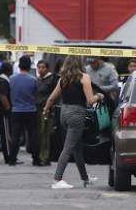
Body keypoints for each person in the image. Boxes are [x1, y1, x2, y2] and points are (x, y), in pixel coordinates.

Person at [44, 55, 103, 189]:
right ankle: (57, 179)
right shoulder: (84, 77)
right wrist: (99, 96)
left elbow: (52, 98)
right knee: (68, 148)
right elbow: (90, 100)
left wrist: (46, 110)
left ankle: (85, 179)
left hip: (64, 114)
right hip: (77, 114)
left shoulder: (63, 79)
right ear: (80, 63)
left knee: (77, 148)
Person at [8, 55, 39, 166]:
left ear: (20, 65)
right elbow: (36, 95)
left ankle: (12, 159)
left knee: (15, 135)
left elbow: (9, 93)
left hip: (16, 110)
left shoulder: (11, 79)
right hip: (31, 110)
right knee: (33, 135)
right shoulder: (33, 80)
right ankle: (36, 159)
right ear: (29, 66)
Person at [36, 60, 57, 166]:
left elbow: (54, 96)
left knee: (46, 135)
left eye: (43, 67)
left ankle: (45, 157)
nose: (40, 69)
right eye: (39, 67)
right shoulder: (37, 79)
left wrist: (49, 108)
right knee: (40, 134)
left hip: (47, 110)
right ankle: (39, 156)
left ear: (47, 68)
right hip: (37, 109)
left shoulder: (51, 79)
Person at [0, 62, 13, 163]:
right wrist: (8, 109)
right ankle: (8, 156)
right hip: (3, 112)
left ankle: (8, 155)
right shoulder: (3, 82)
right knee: (6, 134)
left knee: (3, 133)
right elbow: (3, 96)